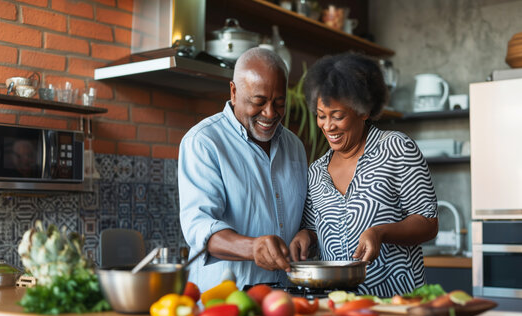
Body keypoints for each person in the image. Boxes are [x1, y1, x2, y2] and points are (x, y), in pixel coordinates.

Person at [290, 53, 438, 298]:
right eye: (321, 115)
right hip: (339, 304)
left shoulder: (397, 149)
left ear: (363, 110)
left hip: (396, 302)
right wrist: (305, 236)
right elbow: (315, 228)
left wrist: (381, 232)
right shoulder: (316, 172)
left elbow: (428, 222)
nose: (328, 126)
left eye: (338, 116)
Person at [178, 48, 307, 292]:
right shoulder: (204, 142)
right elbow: (199, 227)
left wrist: (306, 235)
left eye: (279, 103)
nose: (270, 113)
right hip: (223, 300)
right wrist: (253, 247)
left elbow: (302, 219)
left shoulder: (295, 147)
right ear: (234, 93)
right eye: (259, 102)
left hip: (285, 299)